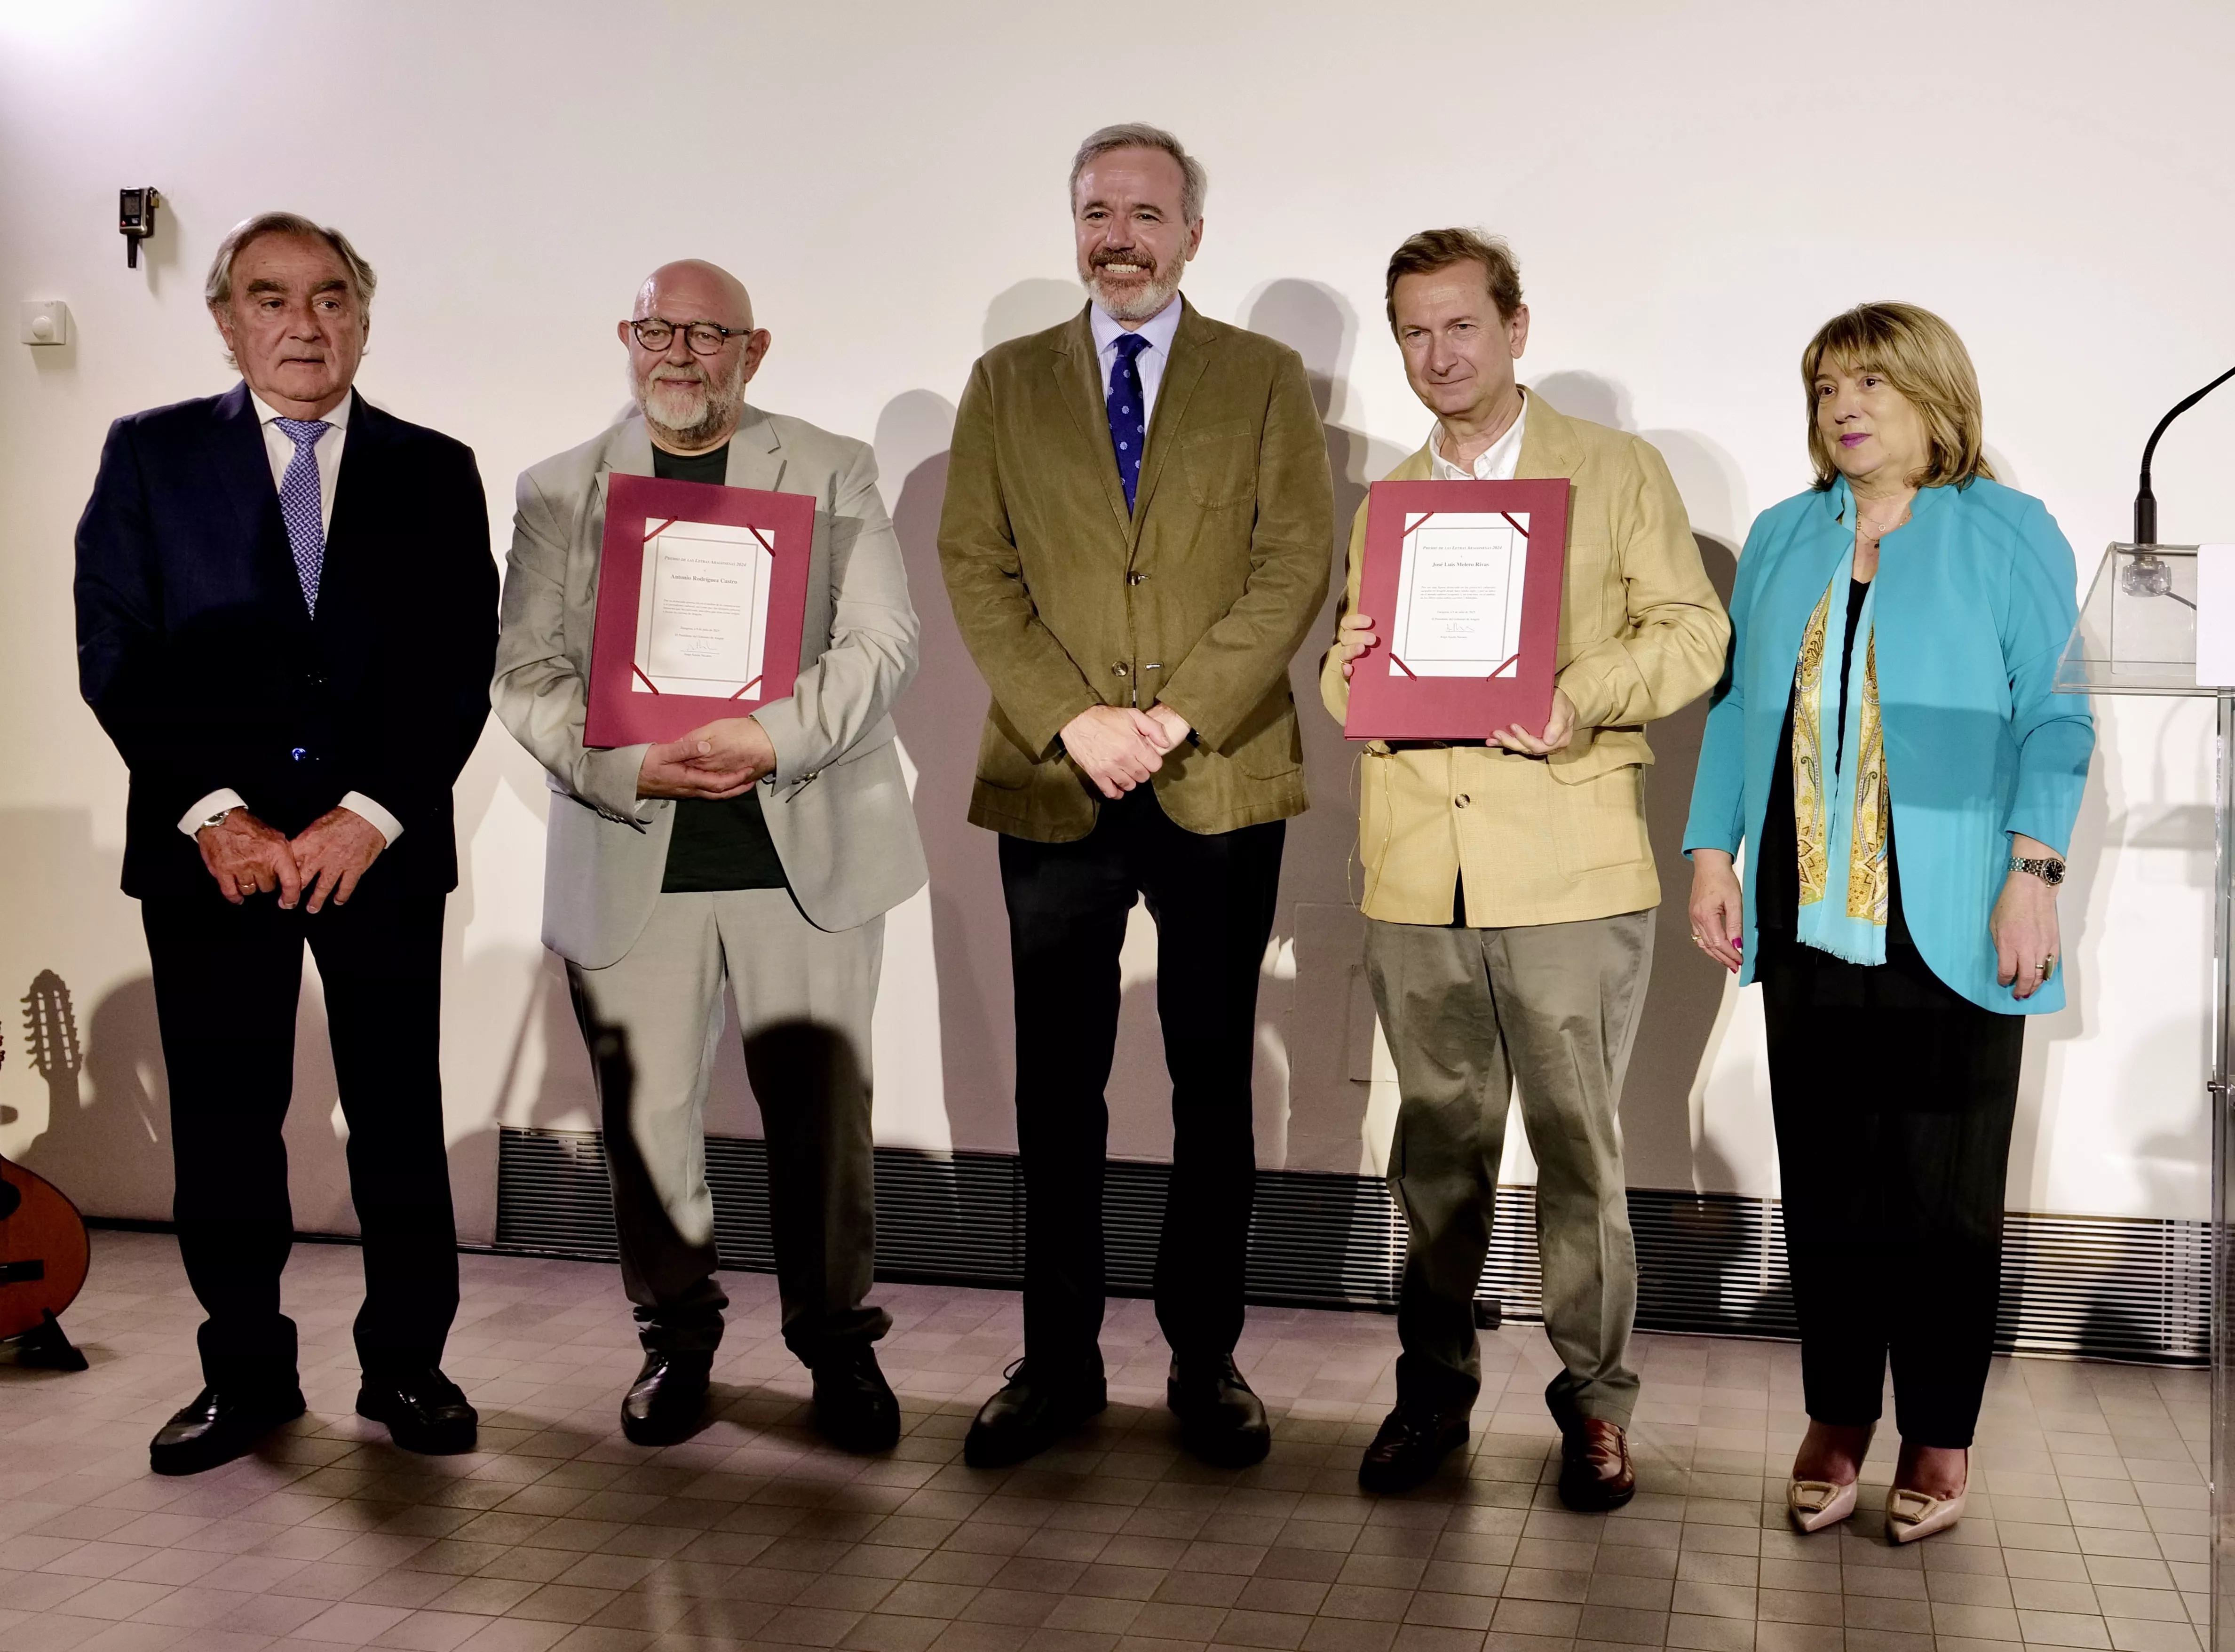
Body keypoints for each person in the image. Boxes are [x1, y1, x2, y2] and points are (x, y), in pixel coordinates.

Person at [938, 123, 1334, 1469]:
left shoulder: (1264, 378)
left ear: (1193, 235)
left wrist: (1170, 718)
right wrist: (1076, 717)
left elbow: (1293, 564)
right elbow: (977, 565)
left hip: (1217, 772)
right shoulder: (1005, 381)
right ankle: (1058, 1362)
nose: (1121, 238)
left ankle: (1205, 1359)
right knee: (1057, 1088)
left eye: (1147, 214)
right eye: (1098, 212)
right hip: (1056, 778)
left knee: (1213, 1082)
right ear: (1075, 227)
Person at [75, 213, 496, 1474]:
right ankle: (246, 1373)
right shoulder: (149, 456)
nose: (304, 325)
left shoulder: (435, 468)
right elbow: (116, 651)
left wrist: (372, 813)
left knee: (398, 1118)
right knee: (224, 1123)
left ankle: (408, 1366)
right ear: (226, 321)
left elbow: (459, 660)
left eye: (329, 298)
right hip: (213, 857)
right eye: (270, 298)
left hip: (379, 851)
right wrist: (217, 812)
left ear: (362, 316)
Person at [1322, 230, 1728, 1508]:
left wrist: (1577, 694)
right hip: (1417, 874)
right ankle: (1431, 1395)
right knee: (1434, 1153)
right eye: (1415, 332)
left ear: (1515, 328)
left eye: (1461, 326)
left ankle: (1595, 1406)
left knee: (1578, 1153)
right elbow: (1345, 679)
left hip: (1568, 867)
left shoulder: (1614, 470)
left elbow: (1695, 633)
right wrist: (1356, 668)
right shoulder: (1390, 499)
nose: (1438, 354)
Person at [492, 260, 925, 1451]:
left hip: (805, 853)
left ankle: (837, 1345)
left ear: (754, 348)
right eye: (657, 330)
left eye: (707, 334)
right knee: (650, 1131)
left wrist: (769, 737)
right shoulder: (559, 488)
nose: (679, 354)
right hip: (634, 850)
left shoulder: (831, 468)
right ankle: (676, 1342)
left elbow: (882, 641)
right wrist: (631, 766)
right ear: (626, 336)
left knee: (824, 1129)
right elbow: (524, 675)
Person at [1685, 302, 2092, 1542]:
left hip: (1955, 907)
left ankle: (1941, 1432)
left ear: (1933, 396)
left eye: (1870, 383)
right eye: (1825, 388)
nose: (1843, 408)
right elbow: (1736, 707)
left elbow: (2058, 716)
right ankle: (1838, 1414)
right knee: (1829, 1178)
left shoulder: (2007, 530)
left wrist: (2035, 871)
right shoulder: (1782, 534)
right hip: (1805, 904)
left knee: (1943, 1191)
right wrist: (1710, 851)